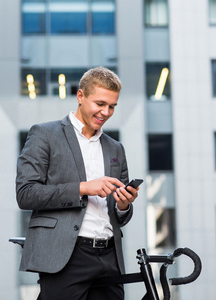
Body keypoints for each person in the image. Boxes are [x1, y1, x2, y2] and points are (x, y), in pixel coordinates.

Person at [16, 66, 139, 300]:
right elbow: (26, 194)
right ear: (80, 96)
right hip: (66, 255)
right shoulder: (44, 134)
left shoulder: (116, 148)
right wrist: (83, 188)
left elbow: (120, 216)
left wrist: (124, 205)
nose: (106, 112)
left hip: (109, 256)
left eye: (112, 106)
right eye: (100, 104)